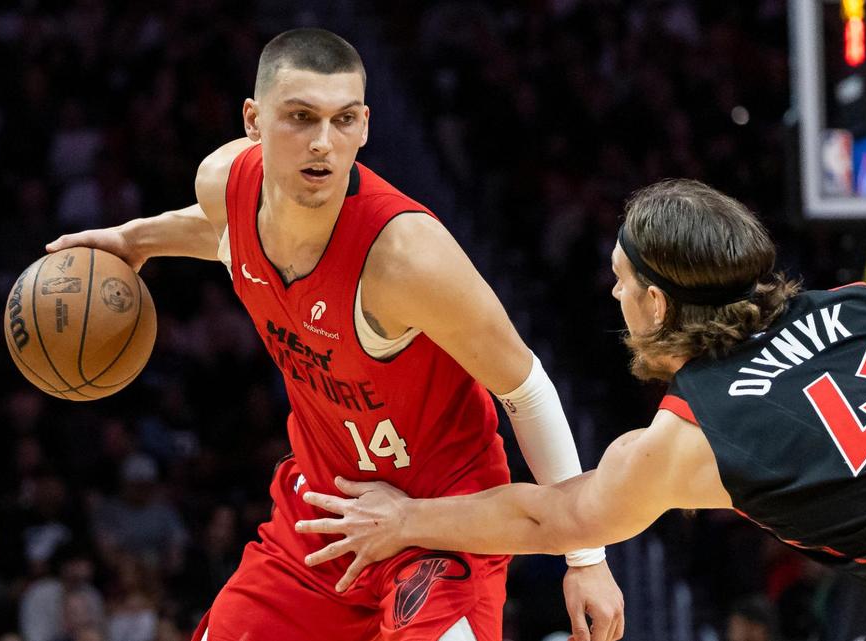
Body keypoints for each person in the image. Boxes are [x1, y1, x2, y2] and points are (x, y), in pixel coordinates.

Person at [46, 27, 623, 641]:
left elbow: (526, 388)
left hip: (440, 520)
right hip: (323, 514)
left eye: (344, 119)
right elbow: (224, 232)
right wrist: (133, 240)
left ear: (367, 125)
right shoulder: (223, 184)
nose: (323, 143)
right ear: (253, 121)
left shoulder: (406, 257)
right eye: (300, 117)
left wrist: (585, 558)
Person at [297, 179, 866, 641]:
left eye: (620, 282)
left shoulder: (691, 434)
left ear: (656, 305)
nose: (612, 296)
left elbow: (551, 515)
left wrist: (407, 518)